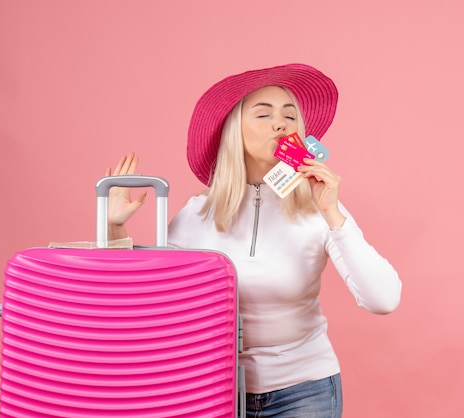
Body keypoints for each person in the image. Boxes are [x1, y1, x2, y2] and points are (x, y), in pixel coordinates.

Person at [106, 63, 402, 418]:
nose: (281, 124)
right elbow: (147, 301)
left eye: (290, 116)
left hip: (305, 392)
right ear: (235, 132)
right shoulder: (197, 213)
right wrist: (113, 229)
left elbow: (383, 299)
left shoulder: (319, 210)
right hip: (214, 389)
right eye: (264, 114)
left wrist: (333, 211)